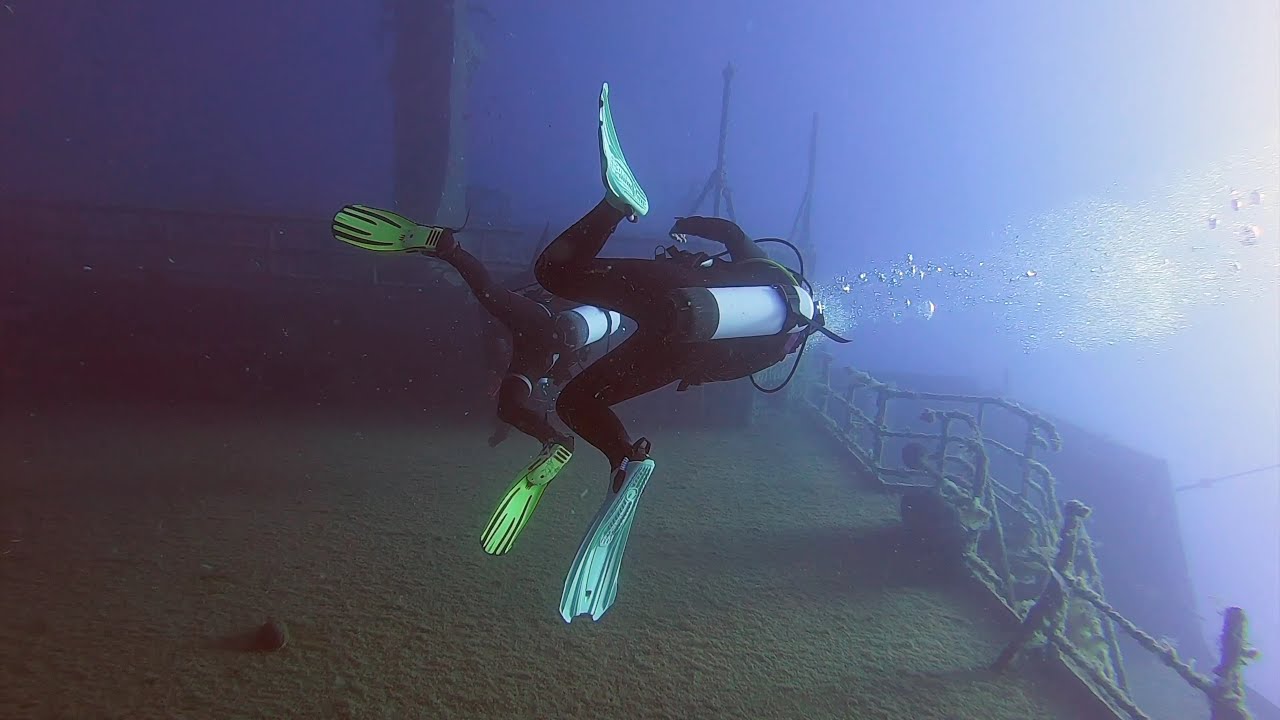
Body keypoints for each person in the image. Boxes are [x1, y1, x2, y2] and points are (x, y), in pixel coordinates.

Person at [536, 83, 830, 623]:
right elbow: (716, 371)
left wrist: (684, 228)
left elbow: (730, 231)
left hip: (674, 291)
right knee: (577, 404)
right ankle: (626, 458)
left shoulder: (774, 274)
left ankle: (614, 205)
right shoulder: (776, 347)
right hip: (678, 352)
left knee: (554, 272)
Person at [330, 205, 625, 557]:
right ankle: (552, 441)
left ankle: (447, 248)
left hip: (536, 327)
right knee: (508, 403)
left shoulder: (547, 288)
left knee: (488, 294)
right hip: (544, 349)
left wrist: (500, 371)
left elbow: (502, 313)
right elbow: (562, 368)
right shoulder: (592, 322)